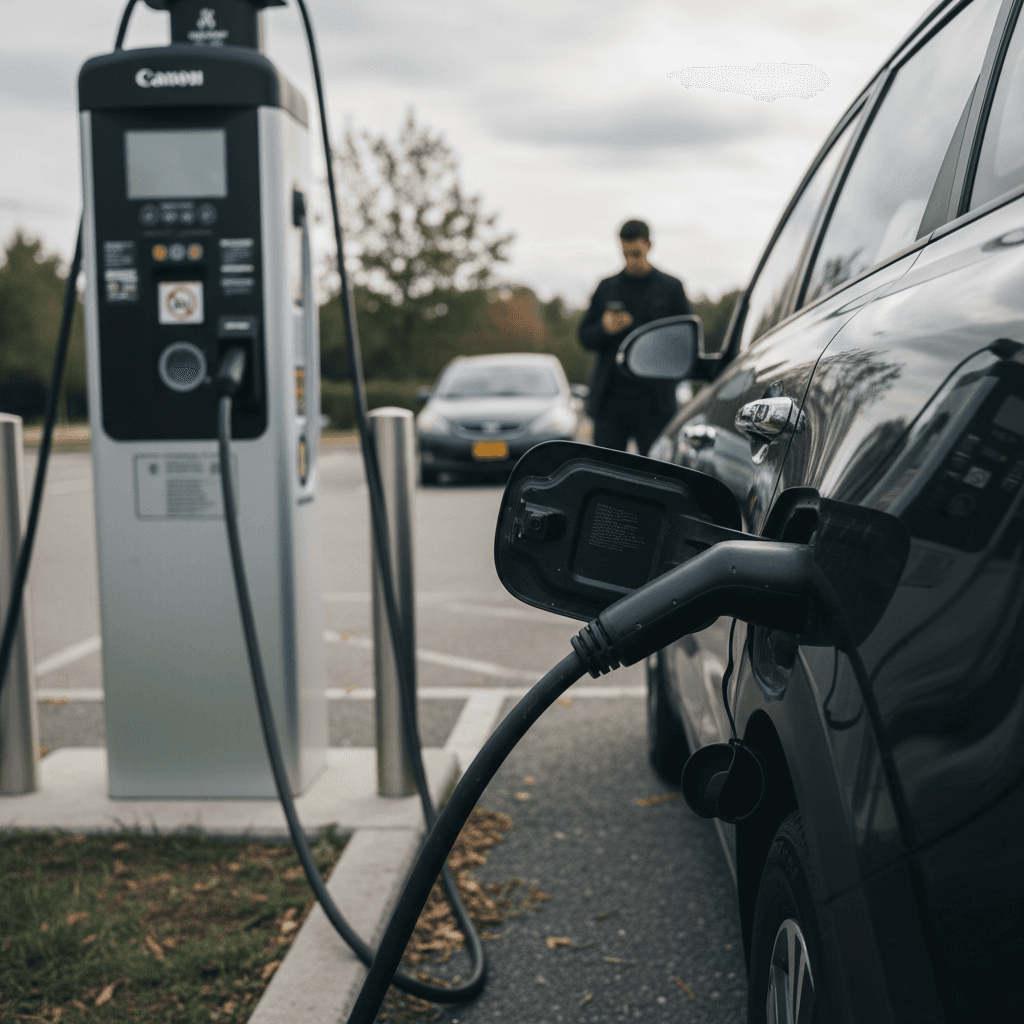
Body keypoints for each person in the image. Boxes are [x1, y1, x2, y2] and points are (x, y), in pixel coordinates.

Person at [578, 219, 693, 455]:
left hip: (655, 402)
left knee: (656, 473)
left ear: (649, 245)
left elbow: (687, 342)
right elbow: (584, 337)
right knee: (606, 470)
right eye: (626, 253)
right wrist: (604, 328)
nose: (631, 259)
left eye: (636, 253)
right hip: (610, 401)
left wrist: (639, 328)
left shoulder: (672, 288)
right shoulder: (606, 287)